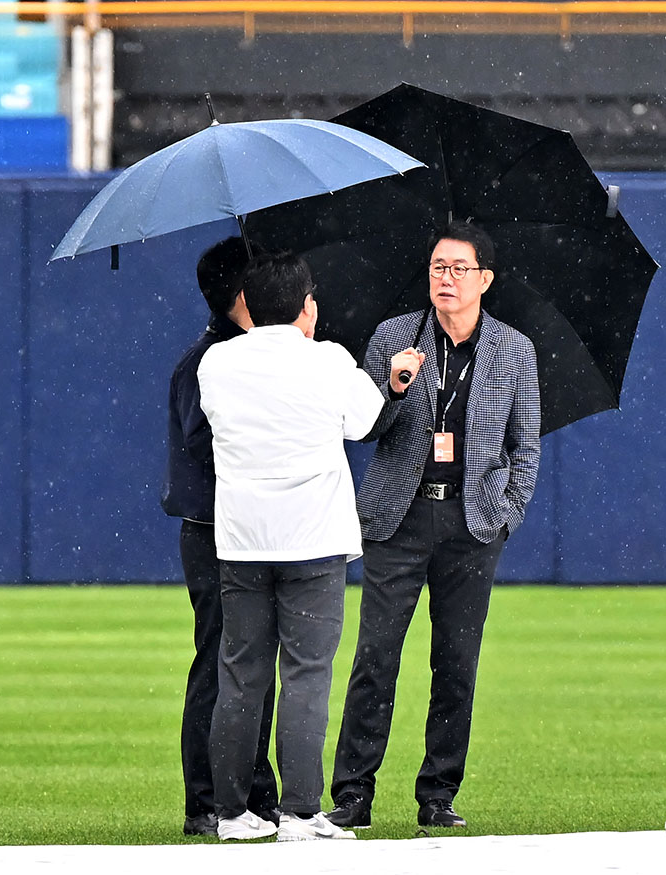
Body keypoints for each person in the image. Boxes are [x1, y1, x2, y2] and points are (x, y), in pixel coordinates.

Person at [197, 251, 417, 842]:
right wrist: (393, 380)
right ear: (304, 306)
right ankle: (299, 811)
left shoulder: (216, 363)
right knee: (307, 674)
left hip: (242, 541)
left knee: (240, 675)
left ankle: (229, 813)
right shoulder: (329, 361)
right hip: (313, 541)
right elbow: (365, 421)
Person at [327, 221, 541, 830]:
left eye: (458, 269)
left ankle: (438, 794)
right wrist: (394, 386)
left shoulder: (513, 349)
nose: (445, 278)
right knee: (376, 657)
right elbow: (366, 427)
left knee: (456, 662)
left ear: (485, 280)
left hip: (472, 522)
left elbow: (525, 447)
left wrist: (507, 515)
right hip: (400, 515)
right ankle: (352, 794)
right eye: (437, 268)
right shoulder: (396, 336)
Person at [161, 237, 280, 837]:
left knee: (254, 664)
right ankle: (205, 801)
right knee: (221, 663)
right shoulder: (209, 361)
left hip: (248, 529)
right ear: (241, 294)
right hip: (214, 531)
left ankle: (256, 795)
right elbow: (205, 444)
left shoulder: (247, 354)